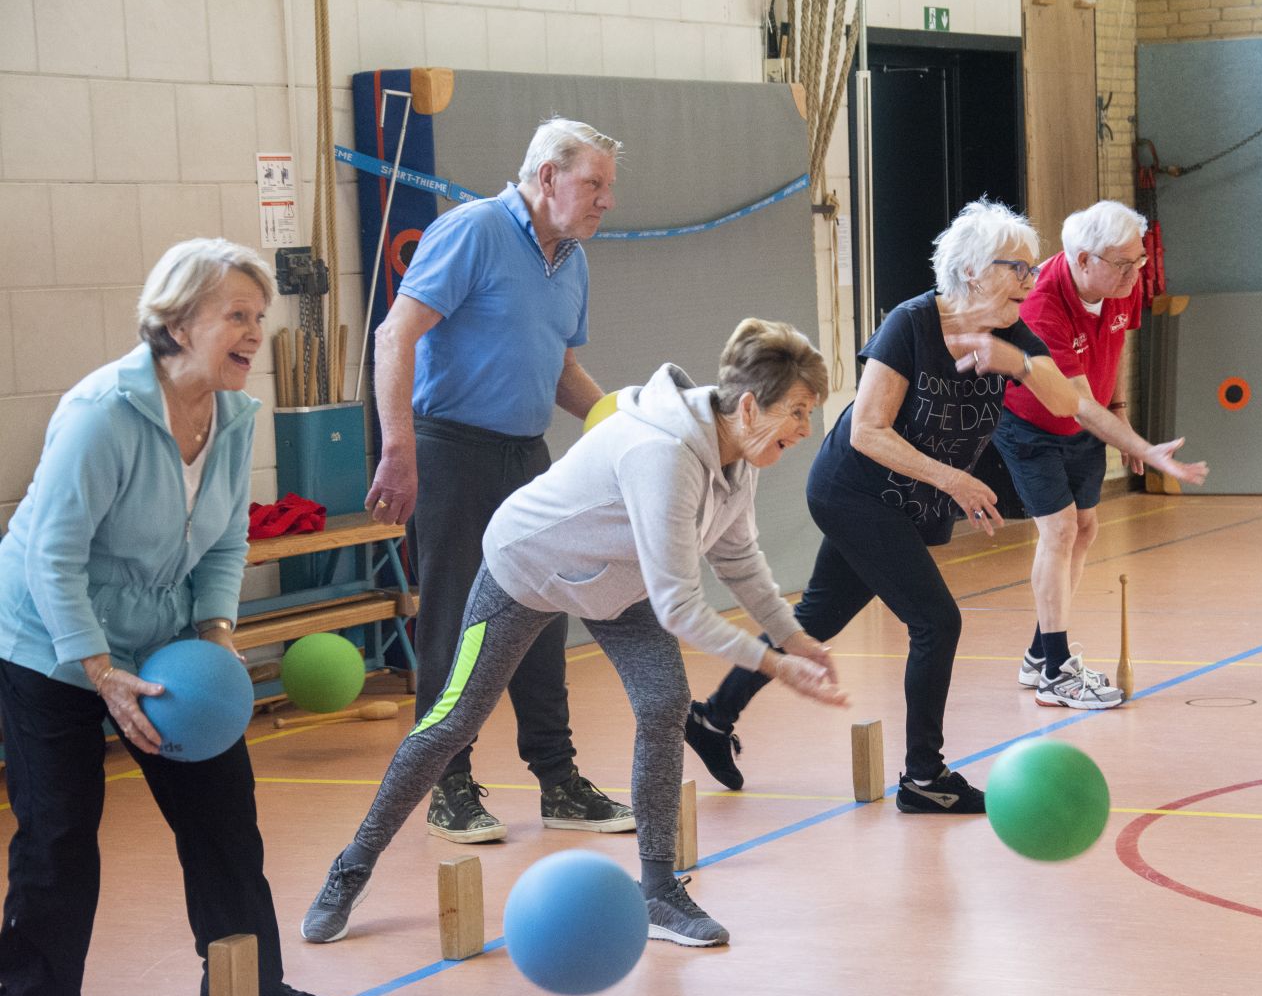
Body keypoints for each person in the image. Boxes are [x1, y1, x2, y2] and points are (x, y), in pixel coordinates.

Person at [303, 320, 846, 949]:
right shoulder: (664, 455)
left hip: (615, 583)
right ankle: (353, 865)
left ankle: (658, 892)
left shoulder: (738, 456)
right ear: (750, 405)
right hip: (524, 569)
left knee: (664, 702)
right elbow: (679, 605)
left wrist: (796, 639)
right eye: (799, 412)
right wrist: (775, 666)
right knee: (453, 721)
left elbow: (739, 561)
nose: (806, 430)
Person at [0, 239, 335, 996]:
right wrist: (99, 669)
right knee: (60, 834)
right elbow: (54, 555)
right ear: (179, 323)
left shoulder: (234, 414)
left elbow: (225, 541)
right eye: (238, 316)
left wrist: (216, 630)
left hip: (164, 637)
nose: (256, 333)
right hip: (47, 642)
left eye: (260, 316)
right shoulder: (101, 413)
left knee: (223, 815)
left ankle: (250, 986)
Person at [684, 200, 1078, 807]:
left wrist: (1018, 363)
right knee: (936, 621)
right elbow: (868, 430)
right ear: (973, 270)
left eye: (1032, 270)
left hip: (904, 502)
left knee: (816, 616)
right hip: (854, 491)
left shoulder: (1007, 332)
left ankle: (712, 718)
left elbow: (1064, 403)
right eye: (1017, 269)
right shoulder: (911, 325)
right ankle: (924, 777)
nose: (1030, 283)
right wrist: (955, 480)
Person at [365, 115, 634, 843]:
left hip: (525, 455)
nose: (607, 200)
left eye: (610, 187)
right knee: (455, 617)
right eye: (595, 184)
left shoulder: (570, 258)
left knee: (540, 614)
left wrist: (624, 424)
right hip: (450, 449)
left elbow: (563, 371)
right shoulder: (475, 231)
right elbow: (396, 335)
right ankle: (446, 783)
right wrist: (399, 449)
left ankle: (558, 780)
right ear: (548, 177)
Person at [995, 200, 1207, 708]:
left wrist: (1123, 411)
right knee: (1061, 529)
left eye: (1139, 260)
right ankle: (1056, 673)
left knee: (1085, 528)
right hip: (1030, 423)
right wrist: (1145, 450)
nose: (1137, 272)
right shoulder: (1042, 303)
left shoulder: (1119, 283)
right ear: (1084, 259)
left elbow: (1113, 354)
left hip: (1087, 419)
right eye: (1125, 263)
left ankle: (1037, 653)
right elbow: (1078, 405)